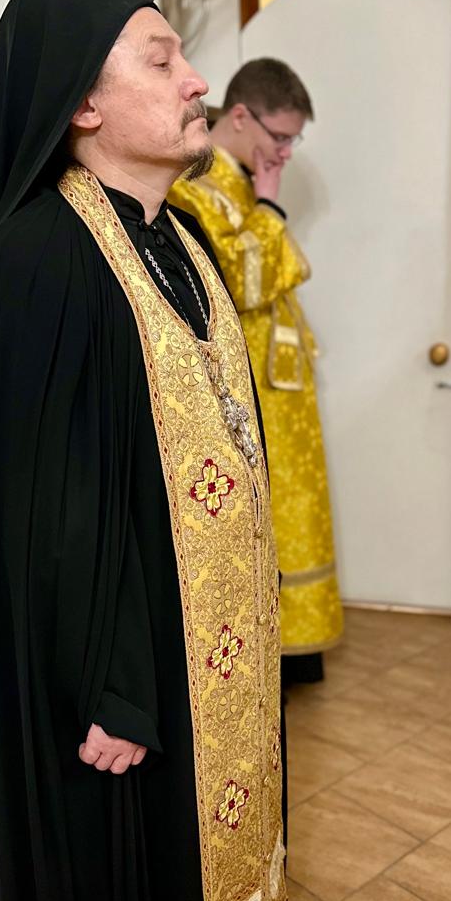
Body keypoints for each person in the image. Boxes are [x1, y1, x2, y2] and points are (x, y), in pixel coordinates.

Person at [0, 0, 292, 901]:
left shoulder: (179, 235)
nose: (197, 79)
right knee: (115, 864)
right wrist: (108, 682)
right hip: (121, 669)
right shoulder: (42, 260)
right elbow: (42, 504)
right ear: (83, 103)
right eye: (163, 59)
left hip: (210, 643)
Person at [170, 59, 343, 685]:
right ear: (240, 116)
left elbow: (281, 265)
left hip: (281, 381)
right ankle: (267, 650)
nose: (286, 151)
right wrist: (269, 204)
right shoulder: (190, 183)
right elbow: (242, 282)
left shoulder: (240, 179)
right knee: (263, 511)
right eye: (280, 136)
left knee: (295, 509)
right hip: (248, 383)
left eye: (294, 140)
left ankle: (296, 645)